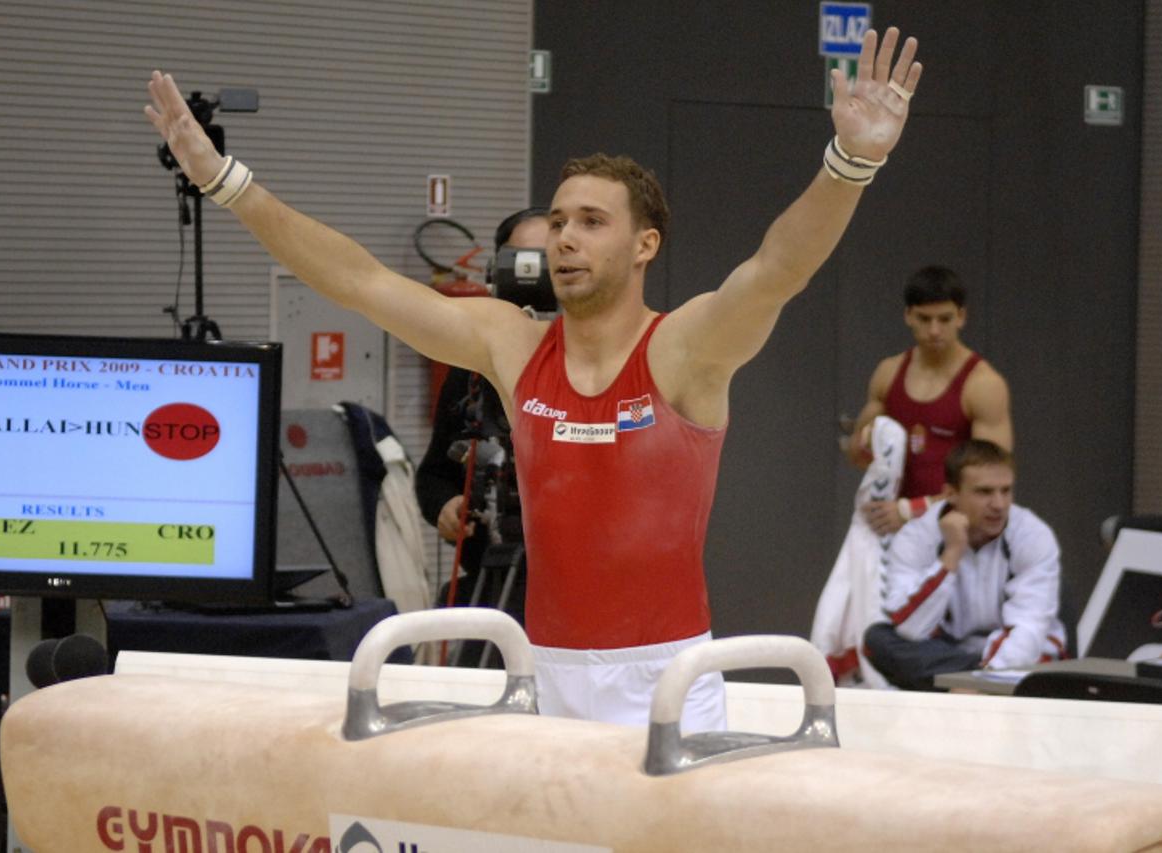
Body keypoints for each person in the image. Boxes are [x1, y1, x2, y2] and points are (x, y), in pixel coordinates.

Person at [143, 26, 923, 729]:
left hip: (663, 679)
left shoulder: (681, 350)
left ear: (645, 244)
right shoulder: (511, 345)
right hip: (544, 672)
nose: (565, 239)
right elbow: (360, 281)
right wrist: (225, 181)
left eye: (591, 221)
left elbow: (777, 269)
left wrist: (851, 162)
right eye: (557, 221)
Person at [415, 208, 548, 660]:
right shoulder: (471, 372)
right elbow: (433, 474)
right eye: (523, 260)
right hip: (489, 589)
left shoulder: (598, 364)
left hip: (575, 593)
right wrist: (445, 507)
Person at [862, 440, 1067, 690]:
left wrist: (986, 681)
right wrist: (952, 553)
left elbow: (1029, 627)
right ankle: (963, 684)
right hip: (950, 653)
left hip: (1021, 655)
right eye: (984, 492)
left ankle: (959, 686)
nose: (999, 504)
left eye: (1006, 491)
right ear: (951, 494)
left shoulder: (1033, 535)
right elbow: (911, 628)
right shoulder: (916, 537)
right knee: (878, 640)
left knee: (1036, 652)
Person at [846, 265, 1012, 537]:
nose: (934, 331)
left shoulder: (983, 385)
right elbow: (857, 455)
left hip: (956, 532)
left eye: (944, 319)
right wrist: (867, 442)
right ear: (908, 316)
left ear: (961, 317)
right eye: (924, 319)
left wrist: (913, 510)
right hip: (895, 529)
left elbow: (990, 484)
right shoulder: (888, 374)